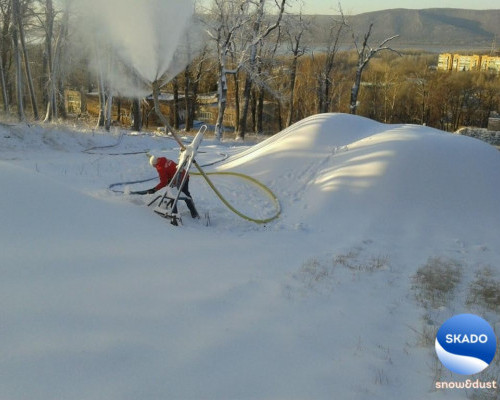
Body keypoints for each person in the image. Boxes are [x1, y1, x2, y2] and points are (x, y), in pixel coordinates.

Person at [145, 155, 199, 219]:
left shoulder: (160, 167)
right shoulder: (164, 159)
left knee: (174, 195)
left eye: (154, 166)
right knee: (186, 195)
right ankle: (194, 213)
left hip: (179, 179)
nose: (154, 167)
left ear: (154, 164)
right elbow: (170, 170)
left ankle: (174, 214)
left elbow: (163, 182)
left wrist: (154, 189)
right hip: (184, 175)